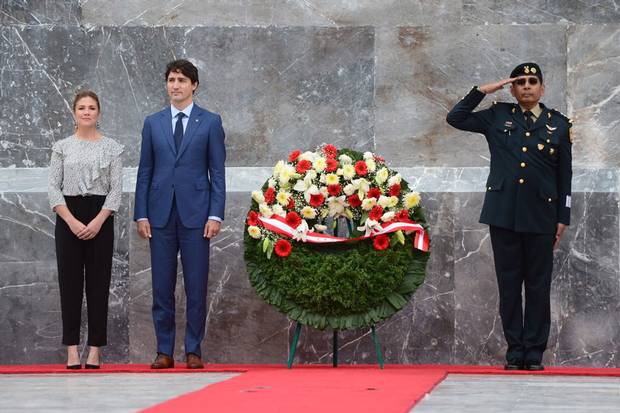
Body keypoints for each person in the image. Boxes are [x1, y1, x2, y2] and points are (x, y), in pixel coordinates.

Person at [446, 63, 572, 371]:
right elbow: (456, 118)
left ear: (542, 88)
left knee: (539, 287)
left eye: (533, 82)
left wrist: (563, 216)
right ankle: (515, 351)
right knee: (510, 285)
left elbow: (565, 176)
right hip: (504, 214)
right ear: (513, 89)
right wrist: (482, 91)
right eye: (520, 82)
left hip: (542, 215)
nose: (527, 87)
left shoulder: (559, 124)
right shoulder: (498, 116)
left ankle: (534, 353)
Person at [134, 59, 226, 369]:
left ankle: (193, 350)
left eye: (182, 80)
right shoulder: (153, 122)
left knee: (196, 285)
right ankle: (163, 350)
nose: (176, 85)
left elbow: (217, 172)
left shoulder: (210, 122)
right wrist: (140, 214)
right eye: (172, 80)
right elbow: (145, 171)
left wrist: (216, 215)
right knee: (162, 286)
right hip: (159, 216)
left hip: (197, 217)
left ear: (194, 85)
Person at [48, 90, 124, 369]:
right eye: (81, 107)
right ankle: (71, 349)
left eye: (92, 107)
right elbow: (53, 188)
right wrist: (71, 221)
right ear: (74, 113)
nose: (87, 112)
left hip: (100, 217)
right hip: (68, 216)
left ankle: (94, 349)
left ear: (99, 113)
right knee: (69, 285)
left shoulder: (112, 148)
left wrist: (97, 221)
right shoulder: (62, 147)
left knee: (98, 284)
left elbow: (116, 190)